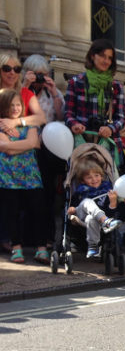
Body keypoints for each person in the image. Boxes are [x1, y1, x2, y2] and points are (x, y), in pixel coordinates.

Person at [0, 89, 49, 264]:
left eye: (18, 104)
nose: (15, 108)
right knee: (12, 213)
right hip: (8, 177)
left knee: (38, 211)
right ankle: (16, 248)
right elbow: (3, 146)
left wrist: (13, 146)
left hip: (31, 176)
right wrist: (23, 145)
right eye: (11, 105)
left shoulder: (30, 124)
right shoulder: (0, 124)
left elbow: (34, 142)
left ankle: (41, 248)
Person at [22, 54, 66, 247]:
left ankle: (47, 237)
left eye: (44, 74)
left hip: (48, 149)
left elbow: (61, 115)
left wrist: (54, 91)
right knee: (25, 194)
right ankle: (26, 236)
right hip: (25, 147)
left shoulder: (50, 94)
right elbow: (16, 109)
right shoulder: (22, 90)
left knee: (47, 194)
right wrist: (25, 84)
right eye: (37, 74)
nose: (40, 79)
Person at [64, 39, 125, 158]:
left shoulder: (116, 86)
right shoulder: (76, 82)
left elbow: (121, 118)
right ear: (92, 56)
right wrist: (75, 124)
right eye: (102, 56)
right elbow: (68, 113)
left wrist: (110, 128)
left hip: (107, 145)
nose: (106, 61)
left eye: (109, 58)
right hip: (81, 143)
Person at [67, 159, 122, 259]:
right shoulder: (80, 191)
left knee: (91, 219)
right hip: (80, 215)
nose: (94, 179)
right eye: (89, 177)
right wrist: (71, 208)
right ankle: (105, 221)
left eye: (96, 175)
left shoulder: (107, 191)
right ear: (82, 180)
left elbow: (111, 213)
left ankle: (93, 247)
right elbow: (72, 204)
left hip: (94, 221)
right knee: (87, 202)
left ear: (101, 176)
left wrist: (113, 202)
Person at [0, 54, 47, 133]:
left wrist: (16, 122)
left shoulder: (26, 93)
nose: (12, 72)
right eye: (7, 68)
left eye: (16, 69)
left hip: (22, 140)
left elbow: (42, 118)